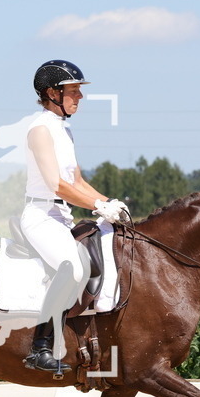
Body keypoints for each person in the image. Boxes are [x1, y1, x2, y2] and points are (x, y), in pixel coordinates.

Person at [21, 60, 129, 374]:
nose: (79, 96)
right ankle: (40, 347)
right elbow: (57, 184)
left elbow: (78, 181)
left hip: (61, 215)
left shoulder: (63, 130)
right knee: (72, 267)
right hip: (40, 214)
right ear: (52, 93)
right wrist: (98, 206)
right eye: (74, 90)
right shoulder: (40, 129)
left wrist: (109, 203)